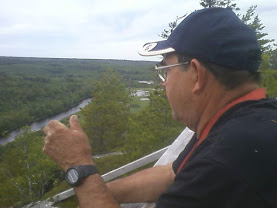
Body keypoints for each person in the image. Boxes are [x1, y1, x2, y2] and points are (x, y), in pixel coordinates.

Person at [43, 7, 277, 208]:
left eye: (166, 70)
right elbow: (170, 175)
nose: (163, 82)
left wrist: (78, 165)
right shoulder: (240, 123)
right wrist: (96, 191)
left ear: (195, 74)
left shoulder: (224, 161)